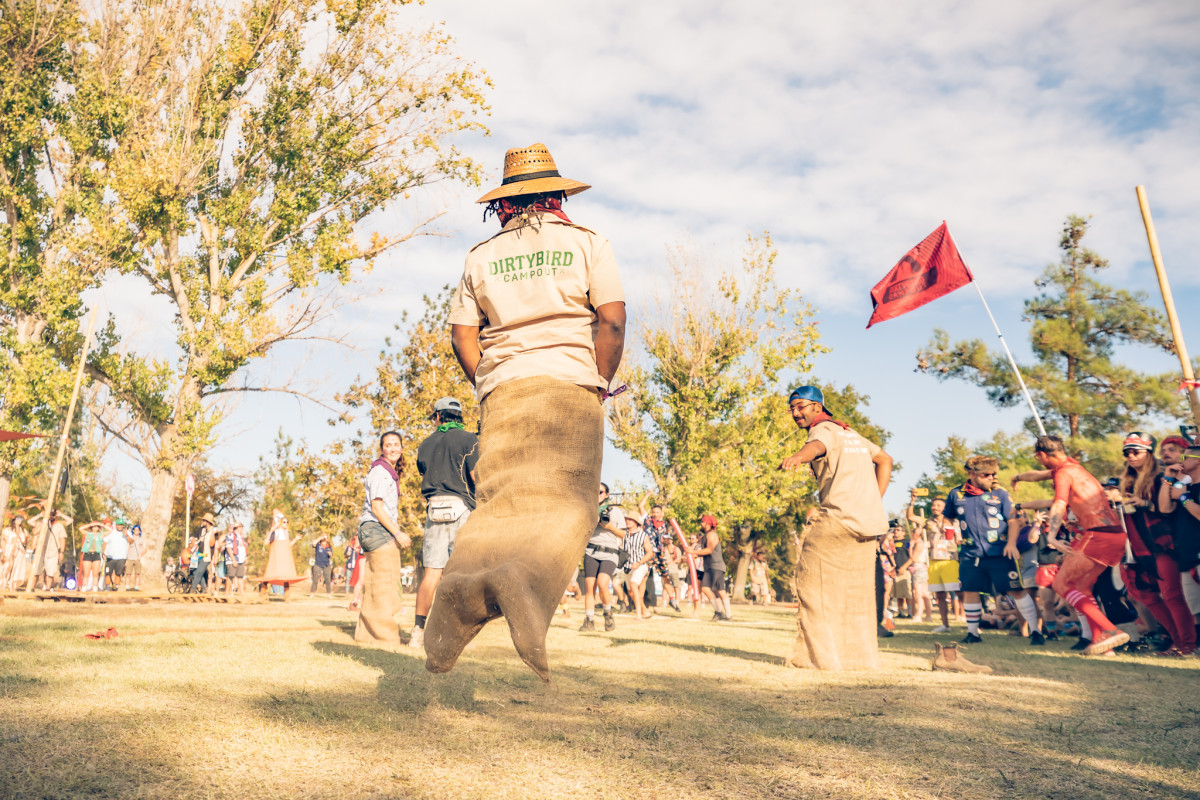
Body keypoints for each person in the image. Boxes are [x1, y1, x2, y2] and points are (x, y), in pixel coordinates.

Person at [426, 142, 625, 681]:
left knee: (499, 505)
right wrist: (600, 383)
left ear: (505, 202)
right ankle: (525, 587)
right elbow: (610, 321)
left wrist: (487, 384)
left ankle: (458, 589)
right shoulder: (589, 244)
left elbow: (462, 335)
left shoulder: (480, 256)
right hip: (570, 386)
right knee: (569, 507)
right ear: (558, 193)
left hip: (505, 389)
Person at [779, 385, 892, 671]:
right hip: (869, 523)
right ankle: (858, 659)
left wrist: (798, 457)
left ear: (818, 406)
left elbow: (816, 446)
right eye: (792, 408)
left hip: (839, 518)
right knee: (855, 595)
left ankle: (816, 658)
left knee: (809, 584)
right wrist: (874, 500)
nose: (795, 413)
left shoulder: (823, 430)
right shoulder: (852, 434)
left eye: (800, 406)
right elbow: (885, 459)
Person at [1015, 435, 1129, 655]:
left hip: (1098, 535)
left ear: (1041, 455)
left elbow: (1059, 503)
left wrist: (1052, 536)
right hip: (1115, 535)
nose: (1039, 463)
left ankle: (1109, 630)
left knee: (1061, 584)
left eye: (1038, 458)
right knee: (1081, 587)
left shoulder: (1064, 473)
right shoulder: (1075, 468)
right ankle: (1101, 643)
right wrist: (1019, 476)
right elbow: (1039, 475)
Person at [944, 456, 1044, 645]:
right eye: (986, 474)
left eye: (993, 474)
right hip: (970, 554)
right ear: (972, 474)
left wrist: (1011, 543)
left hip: (1000, 553)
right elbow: (947, 518)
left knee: (1017, 591)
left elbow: (1013, 520)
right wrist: (949, 531)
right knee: (970, 591)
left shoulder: (1000, 494)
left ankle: (1035, 631)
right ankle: (973, 633)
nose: (991, 477)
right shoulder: (956, 494)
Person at [410, 396, 480, 650]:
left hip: (434, 509)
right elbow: (475, 476)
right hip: (462, 507)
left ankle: (418, 633)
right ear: (459, 418)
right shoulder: (470, 440)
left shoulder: (426, 444)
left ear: (438, 417)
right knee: (461, 574)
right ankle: (454, 633)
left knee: (431, 574)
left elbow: (425, 471)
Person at [355, 431, 412, 644]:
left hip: (374, 529)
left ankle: (365, 634)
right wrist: (398, 533)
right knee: (385, 585)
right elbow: (377, 508)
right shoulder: (380, 471)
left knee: (375, 583)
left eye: (396, 444)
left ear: (401, 448)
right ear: (382, 449)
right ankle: (384, 637)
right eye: (388, 445)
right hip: (377, 529)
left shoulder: (386, 472)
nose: (393, 448)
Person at [909, 493, 960, 633]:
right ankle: (945, 625)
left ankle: (972, 623)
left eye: (938, 505)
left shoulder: (953, 521)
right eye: (933, 505)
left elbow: (960, 540)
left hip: (950, 560)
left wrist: (952, 534)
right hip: (934, 560)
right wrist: (912, 501)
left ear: (945, 508)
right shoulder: (929, 521)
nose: (934, 508)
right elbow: (910, 517)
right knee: (940, 594)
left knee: (959, 592)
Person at [580, 483, 627, 632]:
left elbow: (623, 534)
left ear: (607, 494)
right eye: (595, 491)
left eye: (600, 492)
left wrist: (610, 527)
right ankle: (589, 621)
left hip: (610, 552)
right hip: (591, 551)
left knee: (602, 583)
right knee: (589, 587)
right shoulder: (588, 510)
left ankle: (608, 613)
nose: (597, 494)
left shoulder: (616, 511)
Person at [679, 514, 732, 621]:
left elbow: (709, 550)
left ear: (708, 524)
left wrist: (693, 551)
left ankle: (729, 615)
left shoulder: (711, 535)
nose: (701, 524)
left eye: (703, 522)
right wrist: (695, 554)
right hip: (709, 567)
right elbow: (704, 552)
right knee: (705, 589)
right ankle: (718, 612)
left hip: (716, 566)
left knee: (720, 590)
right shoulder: (705, 536)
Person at [638, 495, 682, 612]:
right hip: (648, 552)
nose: (655, 514)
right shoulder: (647, 520)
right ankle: (640, 603)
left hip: (659, 554)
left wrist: (670, 549)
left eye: (658, 512)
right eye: (654, 512)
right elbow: (641, 506)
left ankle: (672, 599)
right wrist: (648, 494)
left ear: (661, 513)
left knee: (665, 576)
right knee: (644, 577)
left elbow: (667, 540)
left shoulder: (664, 525)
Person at [262, 511, 306, 598]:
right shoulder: (276, 532)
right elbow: (266, 542)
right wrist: (271, 530)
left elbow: (288, 545)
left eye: (287, 522)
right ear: (280, 523)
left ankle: (287, 597)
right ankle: (262, 594)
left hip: (285, 559)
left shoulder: (287, 533)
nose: (286, 524)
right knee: (270, 576)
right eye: (284, 522)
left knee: (286, 577)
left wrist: (296, 539)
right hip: (276, 559)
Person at [27, 505, 71, 591]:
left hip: (53, 552)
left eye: (53, 514)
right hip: (40, 551)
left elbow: (62, 539)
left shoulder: (59, 525)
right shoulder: (41, 523)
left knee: (50, 573)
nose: (51, 516)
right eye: (49, 514)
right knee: (36, 571)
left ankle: (47, 589)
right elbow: (35, 531)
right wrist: (42, 517)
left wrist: (61, 552)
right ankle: (31, 588)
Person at [622, 511, 655, 620]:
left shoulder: (643, 535)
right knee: (631, 591)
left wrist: (639, 563)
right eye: (627, 519)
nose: (627, 521)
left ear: (636, 522)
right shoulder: (624, 534)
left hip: (640, 565)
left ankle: (638, 615)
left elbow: (650, 553)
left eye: (630, 519)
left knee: (633, 585)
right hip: (627, 566)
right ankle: (645, 611)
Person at [103, 519, 132, 591]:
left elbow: (131, 542)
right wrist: (103, 553)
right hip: (110, 557)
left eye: (121, 525)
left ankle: (116, 588)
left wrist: (127, 535)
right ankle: (107, 588)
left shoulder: (127, 532)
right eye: (119, 525)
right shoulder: (111, 532)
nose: (120, 526)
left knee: (118, 574)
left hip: (121, 557)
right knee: (108, 573)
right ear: (116, 525)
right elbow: (104, 542)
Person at [190, 513, 217, 593]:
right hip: (198, 554)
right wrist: (193, 543)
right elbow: (194, 536)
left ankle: (193, 589)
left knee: (199, 572)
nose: (202, 521)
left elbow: (211, 544)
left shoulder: (213, 532)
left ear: (208, 522)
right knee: (195, 571)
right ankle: (204, 588)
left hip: (206, 556)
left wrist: (212, 534)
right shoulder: (201, 529)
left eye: (204, 520)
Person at [78, 519, 106, 592]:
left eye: (97, 526)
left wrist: (101, 524)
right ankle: (84, 588)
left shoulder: (101, 534)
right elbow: (80, 528)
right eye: (94, 526)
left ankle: (95, 588)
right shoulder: (88, 534)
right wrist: (90, 524)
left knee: (95, 574)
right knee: (86, 574)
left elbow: (110, 530)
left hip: (96, 554)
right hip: (87, 554)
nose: (95, 528)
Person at [125, 524, 144, 591]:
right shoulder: (130, 538)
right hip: (130, 558)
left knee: (137, 574)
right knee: (128, 574)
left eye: (138, 530)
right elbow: (127, 548)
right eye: (135, 530)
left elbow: (145, 549)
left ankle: (137, 587)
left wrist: (140, 556)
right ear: (133, 530)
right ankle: (127, 586)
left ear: (139, 531)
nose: (136, 531)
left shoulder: (142, 538)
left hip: (137, 559)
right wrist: (126, 559)